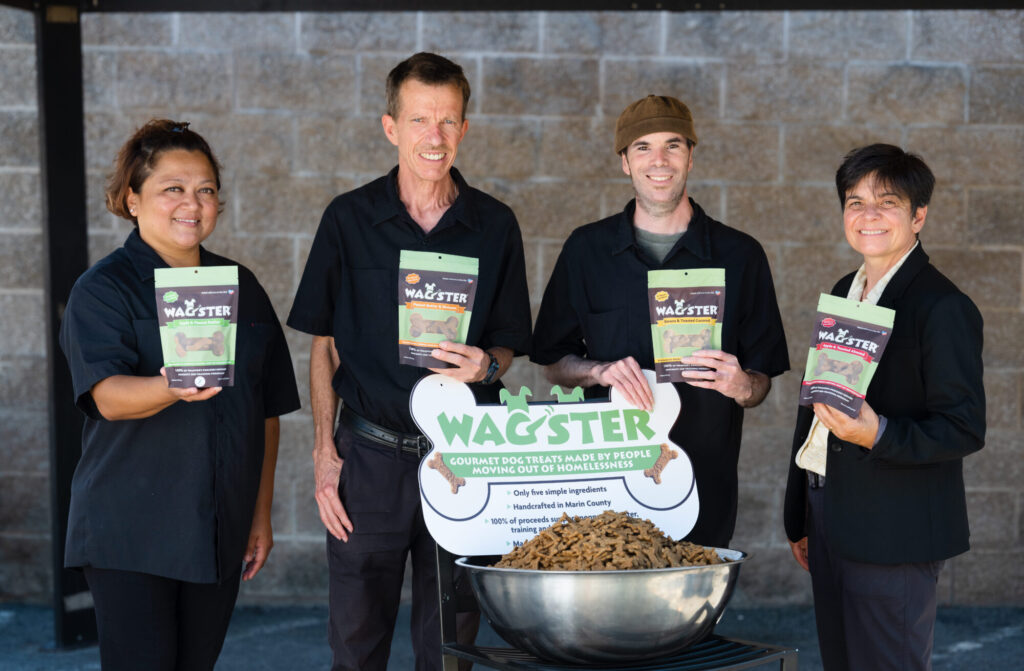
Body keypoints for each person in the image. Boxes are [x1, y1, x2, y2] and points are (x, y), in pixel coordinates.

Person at [287, 52, 532, 671]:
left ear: (465, 130)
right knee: (356, 641)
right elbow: (323, 342)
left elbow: (507, 345)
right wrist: (324, 453)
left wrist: (486, 368)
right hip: (367, 459)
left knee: (452, 642)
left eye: (449, 121)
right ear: (390, 127)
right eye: (421, 119)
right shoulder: (348, 219)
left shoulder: (495, 225)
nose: (435, 136)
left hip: (462, 457)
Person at [58, 119, 300, 671]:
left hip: (218, 526)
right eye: (172, 188)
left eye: (205, 189)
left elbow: (266, 412)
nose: (192, 203)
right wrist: (171, 386)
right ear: (132, 200)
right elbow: (106, 397)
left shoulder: (243, 287)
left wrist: (258, 515)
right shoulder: (102, 289)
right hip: (130, 530)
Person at [531, 94, 789, 548]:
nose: (659, 160)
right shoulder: (586, 251)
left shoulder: (740, 255)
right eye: (643, 148)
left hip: (703, 479)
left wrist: (741, 385)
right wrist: (597, 370)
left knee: (694, 616)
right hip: (606, 481)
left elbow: (761, 381)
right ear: (625, 163)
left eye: (673, 145)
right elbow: (553, 362)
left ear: (691, 155)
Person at [783, 144, 985, 671]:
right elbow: (817, 410)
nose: (867, 216)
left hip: (894, 526)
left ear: (919, 215)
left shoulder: (943, 307)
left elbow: (963, 427)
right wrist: (799, 514)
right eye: (855, 202)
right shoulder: (843, 293)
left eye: (886, 202)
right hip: (829, 512)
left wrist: (879, 433)